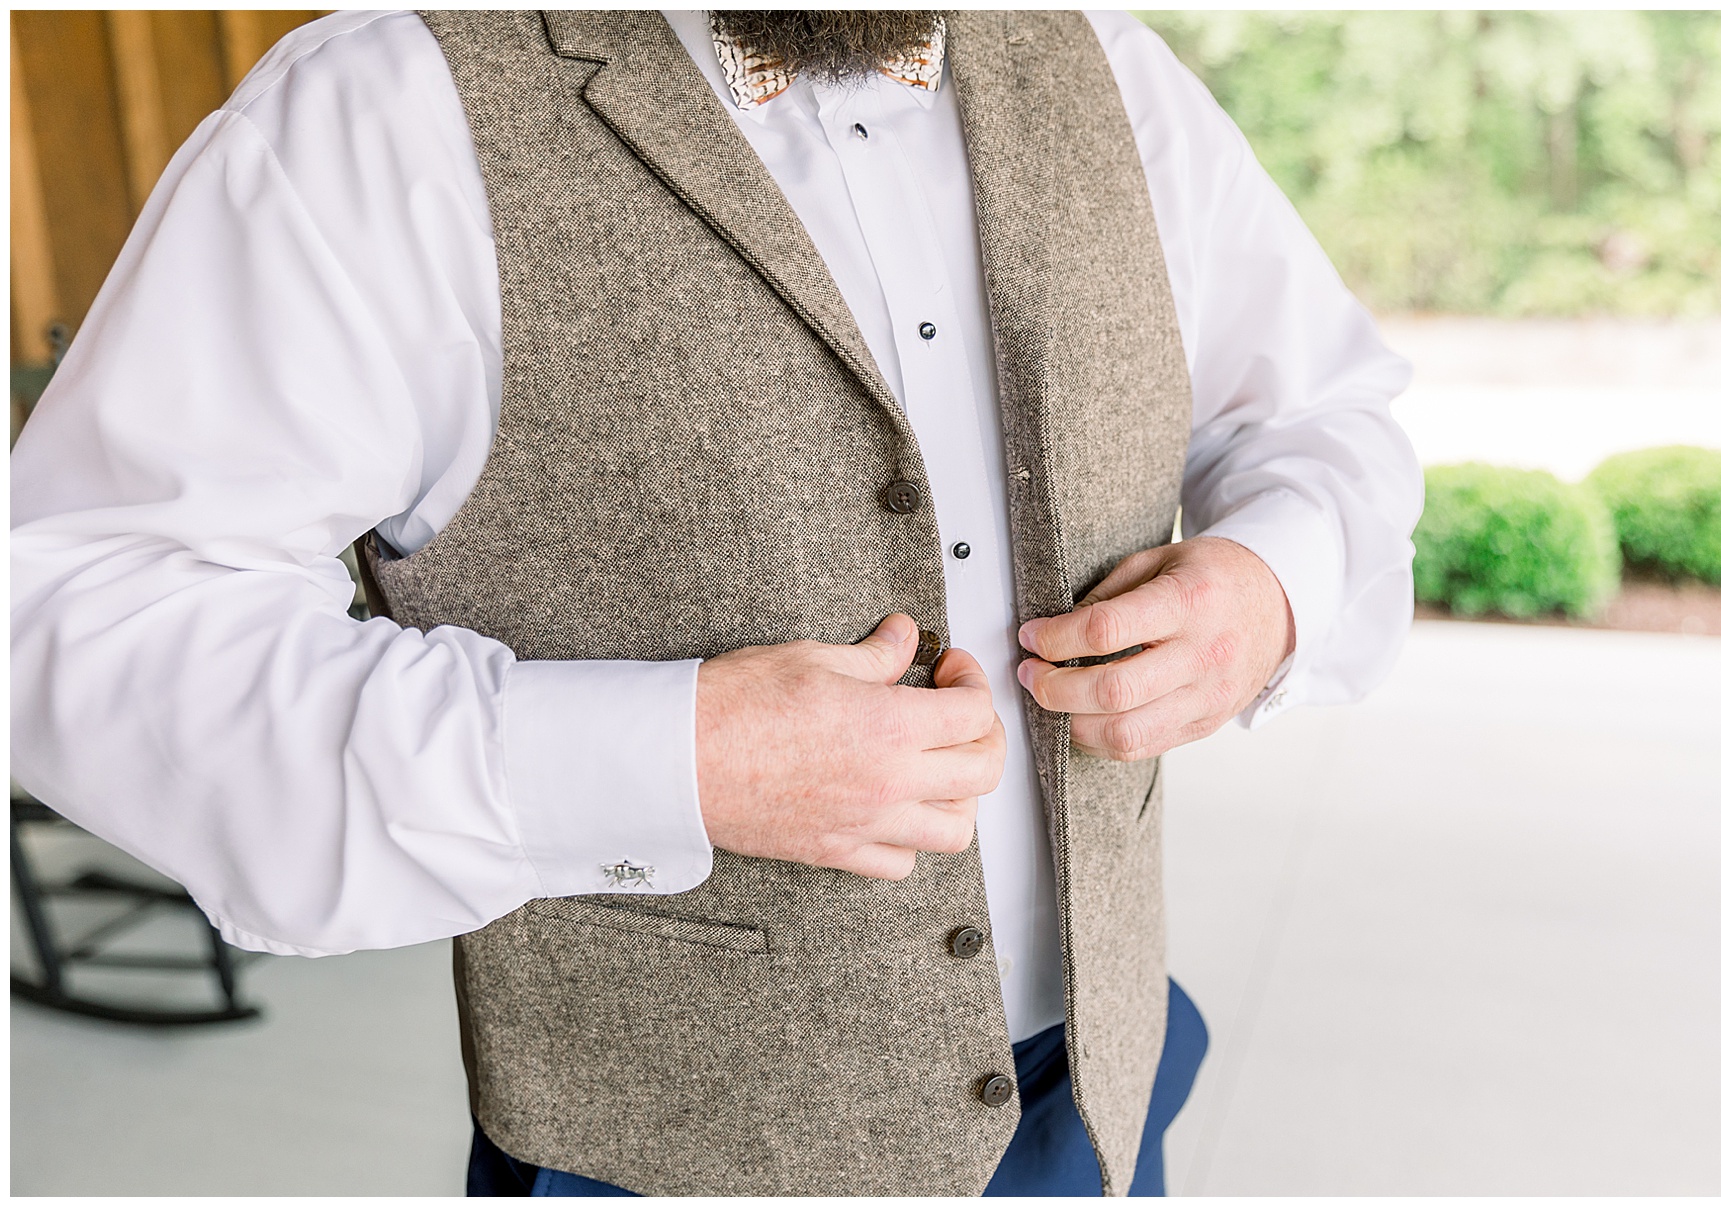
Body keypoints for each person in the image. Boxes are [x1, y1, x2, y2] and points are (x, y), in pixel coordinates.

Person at [9, 9, 1422, 1197]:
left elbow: (1326, 416)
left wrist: (1273, 587)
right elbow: (93, 613)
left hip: (1097, 1107)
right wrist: (666, 759)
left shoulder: (1105, 62)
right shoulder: (380, 112)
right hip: (656, 1160)